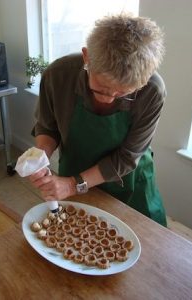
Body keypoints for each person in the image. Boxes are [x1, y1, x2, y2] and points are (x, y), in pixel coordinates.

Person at [30, 13, 167, 226]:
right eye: (101, 88)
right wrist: (39, 158)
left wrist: (72, 185)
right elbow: (47, 126)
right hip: (75, 170)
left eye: (123, 93)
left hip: (129, 182)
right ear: (87, 57)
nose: (108, 98)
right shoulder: (58, 75)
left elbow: (126, 158)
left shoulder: (152, 91)